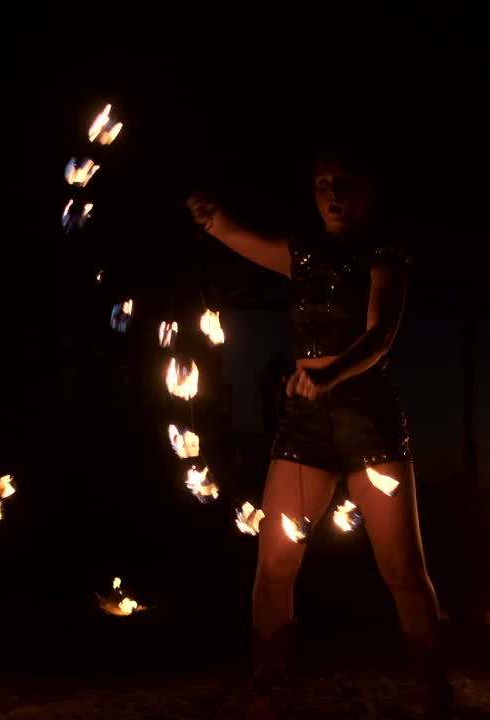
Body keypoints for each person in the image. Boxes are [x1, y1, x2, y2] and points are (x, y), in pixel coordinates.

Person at [187, 146, 450, 717]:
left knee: (402, 569)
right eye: (323, 183)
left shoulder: (384, 258)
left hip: (368, 422)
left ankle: (433, 689)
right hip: (304, 426)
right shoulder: (301, 254)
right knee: (275, 562)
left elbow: (381, 337)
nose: (333, 193)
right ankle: (271, 686)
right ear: (312, 193)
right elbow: (241, 237)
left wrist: (331, 372)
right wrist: (213, 218)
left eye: (345, 184)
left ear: (366, 195)